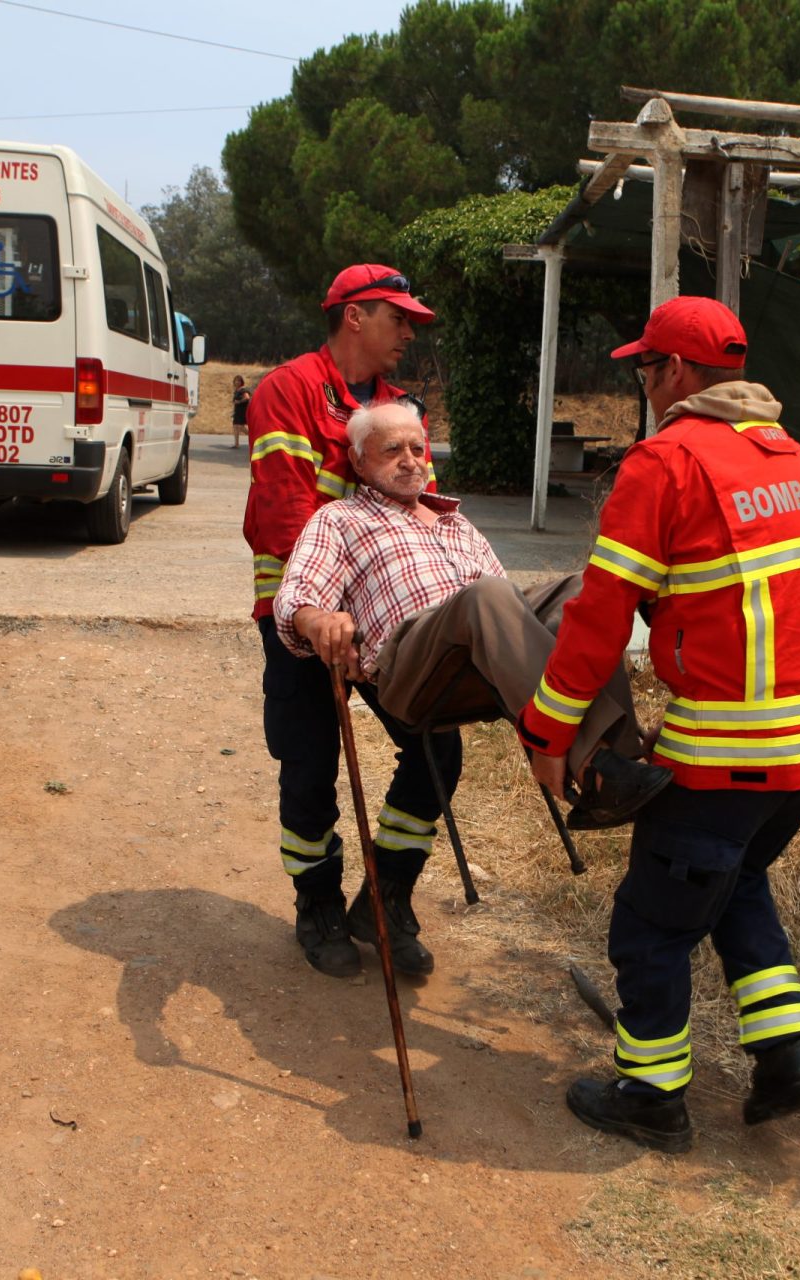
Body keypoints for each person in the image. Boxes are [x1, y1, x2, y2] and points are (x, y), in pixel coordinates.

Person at [518, 296, 800, 1154]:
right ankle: (787, 1057)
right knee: (735, 882)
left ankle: (652, 1097)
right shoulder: (795, 457)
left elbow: (601, 615)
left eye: (645, 368)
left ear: (674, 373)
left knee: (651, 923)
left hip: (731, 750)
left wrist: (547, 734)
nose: (642, 383)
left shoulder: (663, 462)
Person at [273, 401, 673, 975]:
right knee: (484, 596)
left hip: (480, 662)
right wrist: (319, 620)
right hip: (410, 666)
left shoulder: (457, 521)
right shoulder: (340, 520)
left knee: (584, 591)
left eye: (418, 447)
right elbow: (296, 596)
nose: (411, 460)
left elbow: (509, 604)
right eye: (392, 450)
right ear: (360, 463)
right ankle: (597, 770)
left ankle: (618, 753)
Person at [243, 264, 441, 979]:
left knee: (435, 753)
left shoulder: (397, 408)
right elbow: (286, 510)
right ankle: (317, 904)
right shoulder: (288, 391)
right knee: (309, 769)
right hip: (304, 618)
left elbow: (424, 507)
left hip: (388, 625)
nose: (410, 332)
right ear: (354, 315)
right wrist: (325, 614)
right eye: (399, 318)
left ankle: (385, 901)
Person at [229, 375, 250, 449]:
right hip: (237, 411)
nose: (237, 382)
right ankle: (236, 444)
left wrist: (239, 402)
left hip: (242, 410)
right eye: (236, 380)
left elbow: (247, 398)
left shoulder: (243, 390)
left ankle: (253, 436)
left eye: (239, 381)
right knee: (235, 426)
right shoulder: (236, 390)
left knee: (241, 426)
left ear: (241, 382)